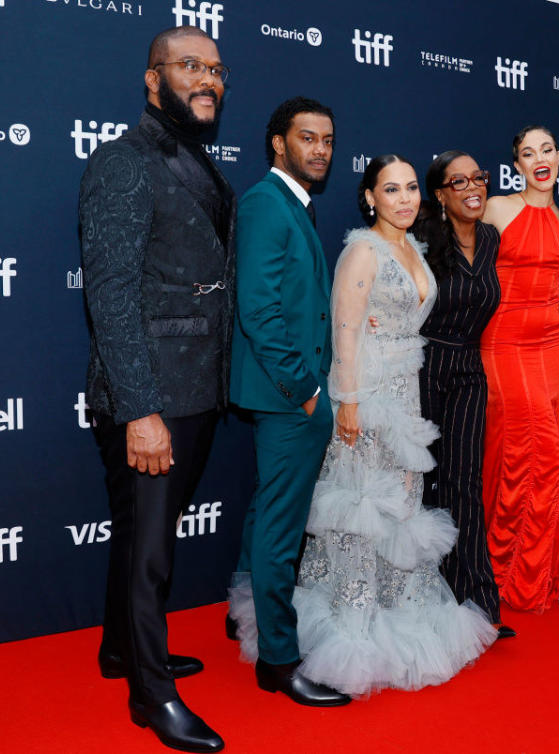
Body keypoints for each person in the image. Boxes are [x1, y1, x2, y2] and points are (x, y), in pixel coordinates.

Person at [289, 154, 496, 697]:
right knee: (363, 507)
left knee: (403, 502)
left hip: (408, 393)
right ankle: (352, 624)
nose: (405, 199)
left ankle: (396, 608)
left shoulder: (415, 247)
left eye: (410, 189)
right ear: (369, 197)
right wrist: (349, 403)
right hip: (368, 395)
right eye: (392, 190)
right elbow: (346, 333)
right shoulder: (362, 251)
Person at [80, 26, 232, 752]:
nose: (207, 79)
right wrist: (139, 409)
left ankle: (122, 652)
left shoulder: (192, 159)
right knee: (150, 553)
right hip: (151, 395)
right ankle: (153, 696)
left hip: (197, 386)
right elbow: (108, 297)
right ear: (153, 80)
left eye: (216, 69)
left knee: (146, 536)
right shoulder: (123, 162)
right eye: (190, 66)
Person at [226, 97, 350, 707]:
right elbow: (259, 310)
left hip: (285, 395)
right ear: (279, 143)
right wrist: (305, 392)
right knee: (282, 530)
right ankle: (278, 658)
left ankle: (241, 613)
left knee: (266, 513)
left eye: (327, 139)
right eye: (308, 138)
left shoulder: (291, 205)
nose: (321, 149)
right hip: (286, 397)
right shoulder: (265, 204)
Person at [414, 150, 512, 638]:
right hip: (424, 369)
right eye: (459, 182)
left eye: (479, 178)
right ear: (440, 194)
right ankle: (422, 602)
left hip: (470, 371)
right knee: (421, 487)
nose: (473, 188)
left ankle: (475, 602)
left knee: (466, 487)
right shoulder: (425, 240)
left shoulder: (492, 239)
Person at [481, 126, 559, 613]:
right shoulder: (497, 208)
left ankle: (534, 570)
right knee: (522, 447)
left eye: (545, 150)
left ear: (558, 158)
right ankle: (498, 568)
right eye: (526, 153)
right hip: (504, 342)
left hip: (549, 346)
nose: (538, 158)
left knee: (551, 455)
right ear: (516, 166)